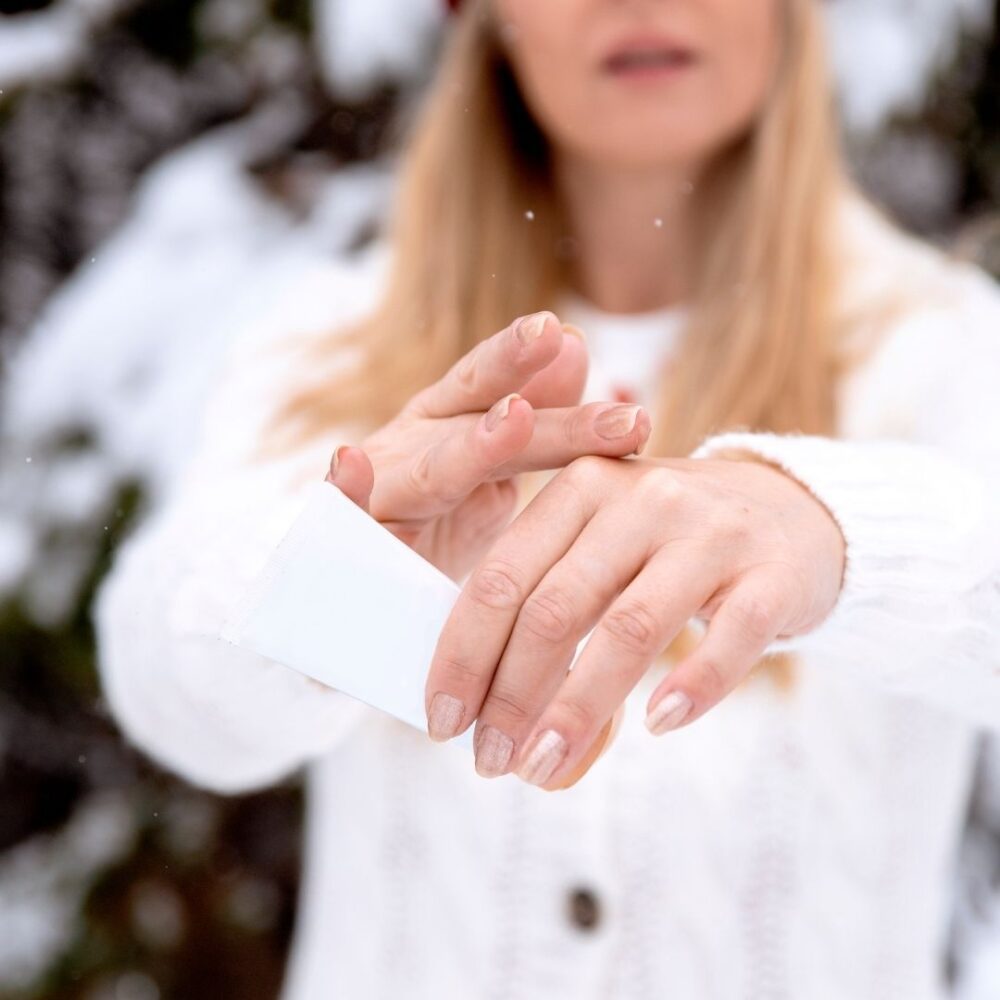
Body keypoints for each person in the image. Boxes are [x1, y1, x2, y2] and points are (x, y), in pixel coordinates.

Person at [95, 0, 1000, 997]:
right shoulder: (328, 345)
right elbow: (158, 678)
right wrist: (322, 582)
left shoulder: (949, 349)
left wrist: (843, 534)